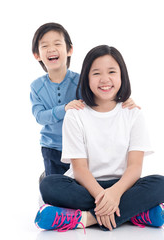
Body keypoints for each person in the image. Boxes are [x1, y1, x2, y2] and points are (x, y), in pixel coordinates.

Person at [35, 45, 164, 232]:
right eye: (96, 73)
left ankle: (86, 218)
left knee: (163, 185)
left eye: (111, 72)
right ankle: (136, 213)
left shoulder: (132, 114)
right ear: (86, 78)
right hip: (85, 186)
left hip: (123, 186)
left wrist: (115, 194)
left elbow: (134, 168)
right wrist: (103, 196)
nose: (105, 79)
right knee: (49, 185)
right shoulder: (76, 115)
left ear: (121, 76)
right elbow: (80, 170)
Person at [30, 23, 138, 178]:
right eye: (45, 45)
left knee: (81, 181)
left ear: (69, 50)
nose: (51, 48)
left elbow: (98, 98)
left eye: (57, 43)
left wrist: (123, 100)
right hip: (52, 146)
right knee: (54, 184)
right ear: (37, 55)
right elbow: (39, 116)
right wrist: (65, 108)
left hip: (81, 146)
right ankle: (46, 177)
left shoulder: (80, 80)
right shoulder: (36, 86)